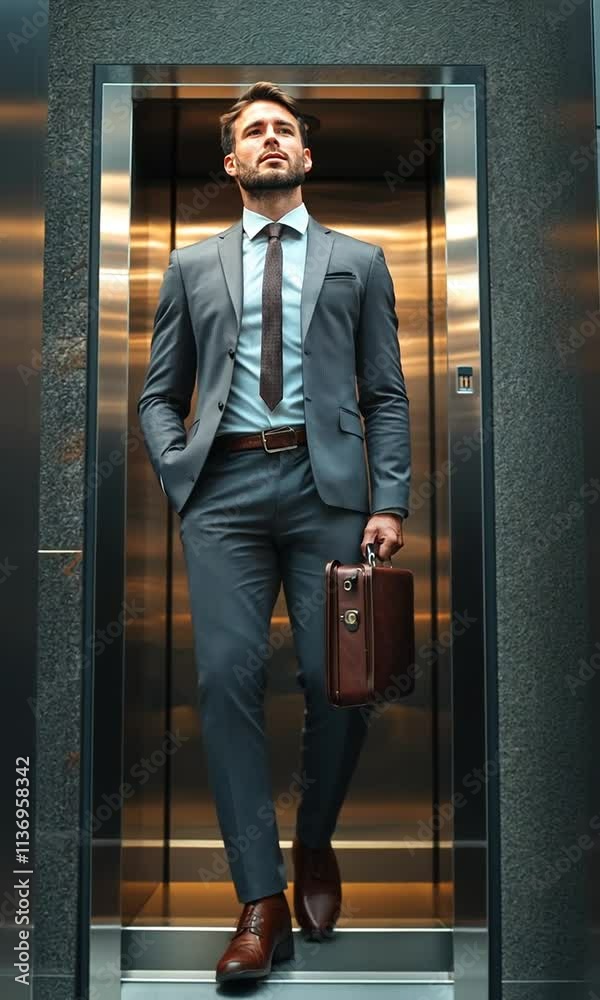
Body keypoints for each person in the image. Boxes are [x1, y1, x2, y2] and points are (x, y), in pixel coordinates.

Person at [137, 80, 411, 984]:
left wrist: (391, 498)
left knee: (340, 683)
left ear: (305, 156)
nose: (269, 141)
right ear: (230, 162)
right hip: (222, 492)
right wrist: (183, 475)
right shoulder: (191, 265)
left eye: (284, 130)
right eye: (253, 131)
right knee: (223, 679)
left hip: (326, 491)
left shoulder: (360, 260)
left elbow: (384, 394)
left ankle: (318, 841)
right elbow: (157, 392)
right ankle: (259, 899)